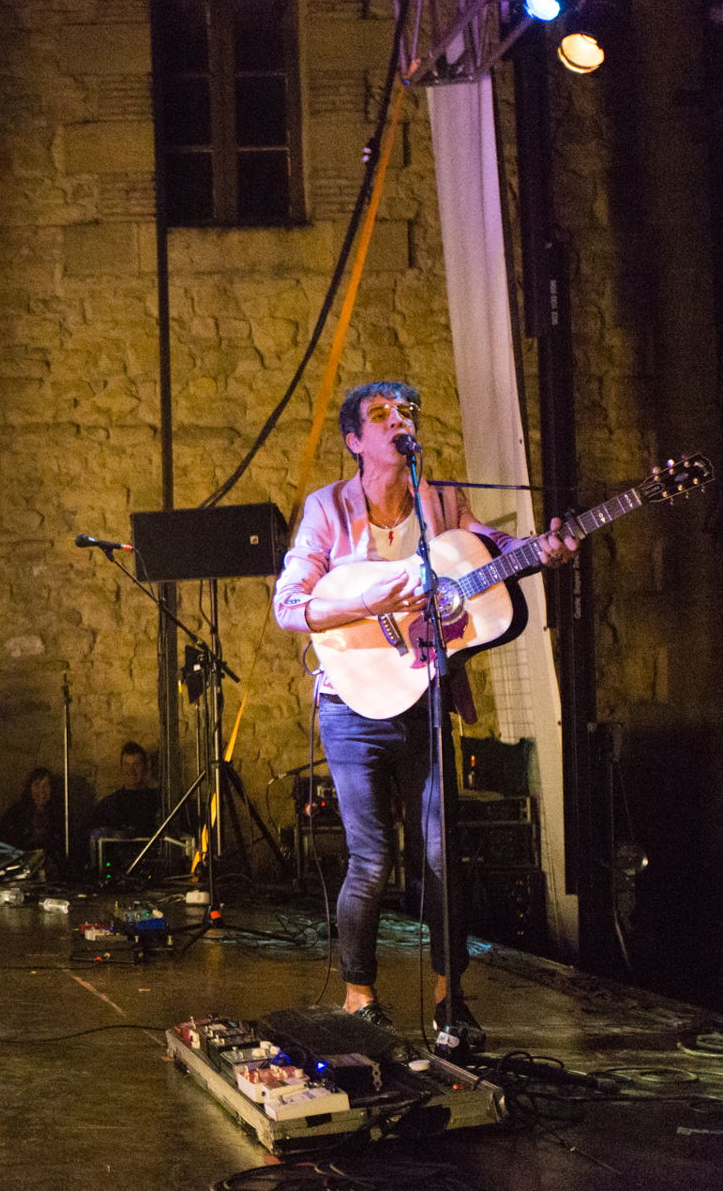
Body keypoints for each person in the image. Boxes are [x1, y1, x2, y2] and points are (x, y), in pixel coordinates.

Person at [273, 381, 576, 1053]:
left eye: (405, 412)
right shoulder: (327, 508)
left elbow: (487, 550)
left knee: (439, 852)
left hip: (427, 698)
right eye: (380, 415)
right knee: (371, 857)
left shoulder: (440, 501)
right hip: (350, 704)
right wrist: (373, 598)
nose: (398, 421)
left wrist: (542, 549)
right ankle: (360, 997)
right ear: (355, 440)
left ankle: (449, 1001)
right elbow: (290, 606)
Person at [0, 765, 71, 882]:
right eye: (37, 785)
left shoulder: (60, 814)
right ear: (29, 788)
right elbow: (4, 844)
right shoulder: (15, 813)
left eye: (46, 785)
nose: (41, 790)